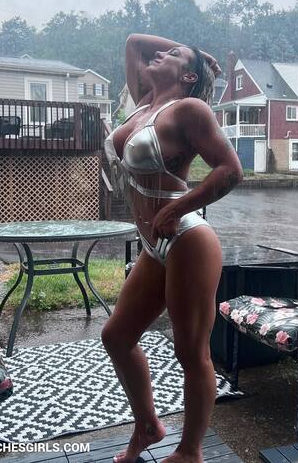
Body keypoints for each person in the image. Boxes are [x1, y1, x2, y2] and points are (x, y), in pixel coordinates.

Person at [102, 33, 243, 463]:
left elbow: (231, 170)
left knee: (191, 352)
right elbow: (133, 43)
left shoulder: (189, 110)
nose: (159, 53)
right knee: (117, 337)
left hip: (187, 239)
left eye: (173, 54)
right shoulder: (143, 104)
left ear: (188, 77)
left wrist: (179, 207)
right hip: (154, 245)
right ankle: (148, 426)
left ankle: (189, 451)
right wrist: (195, 53)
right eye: (163, 51)